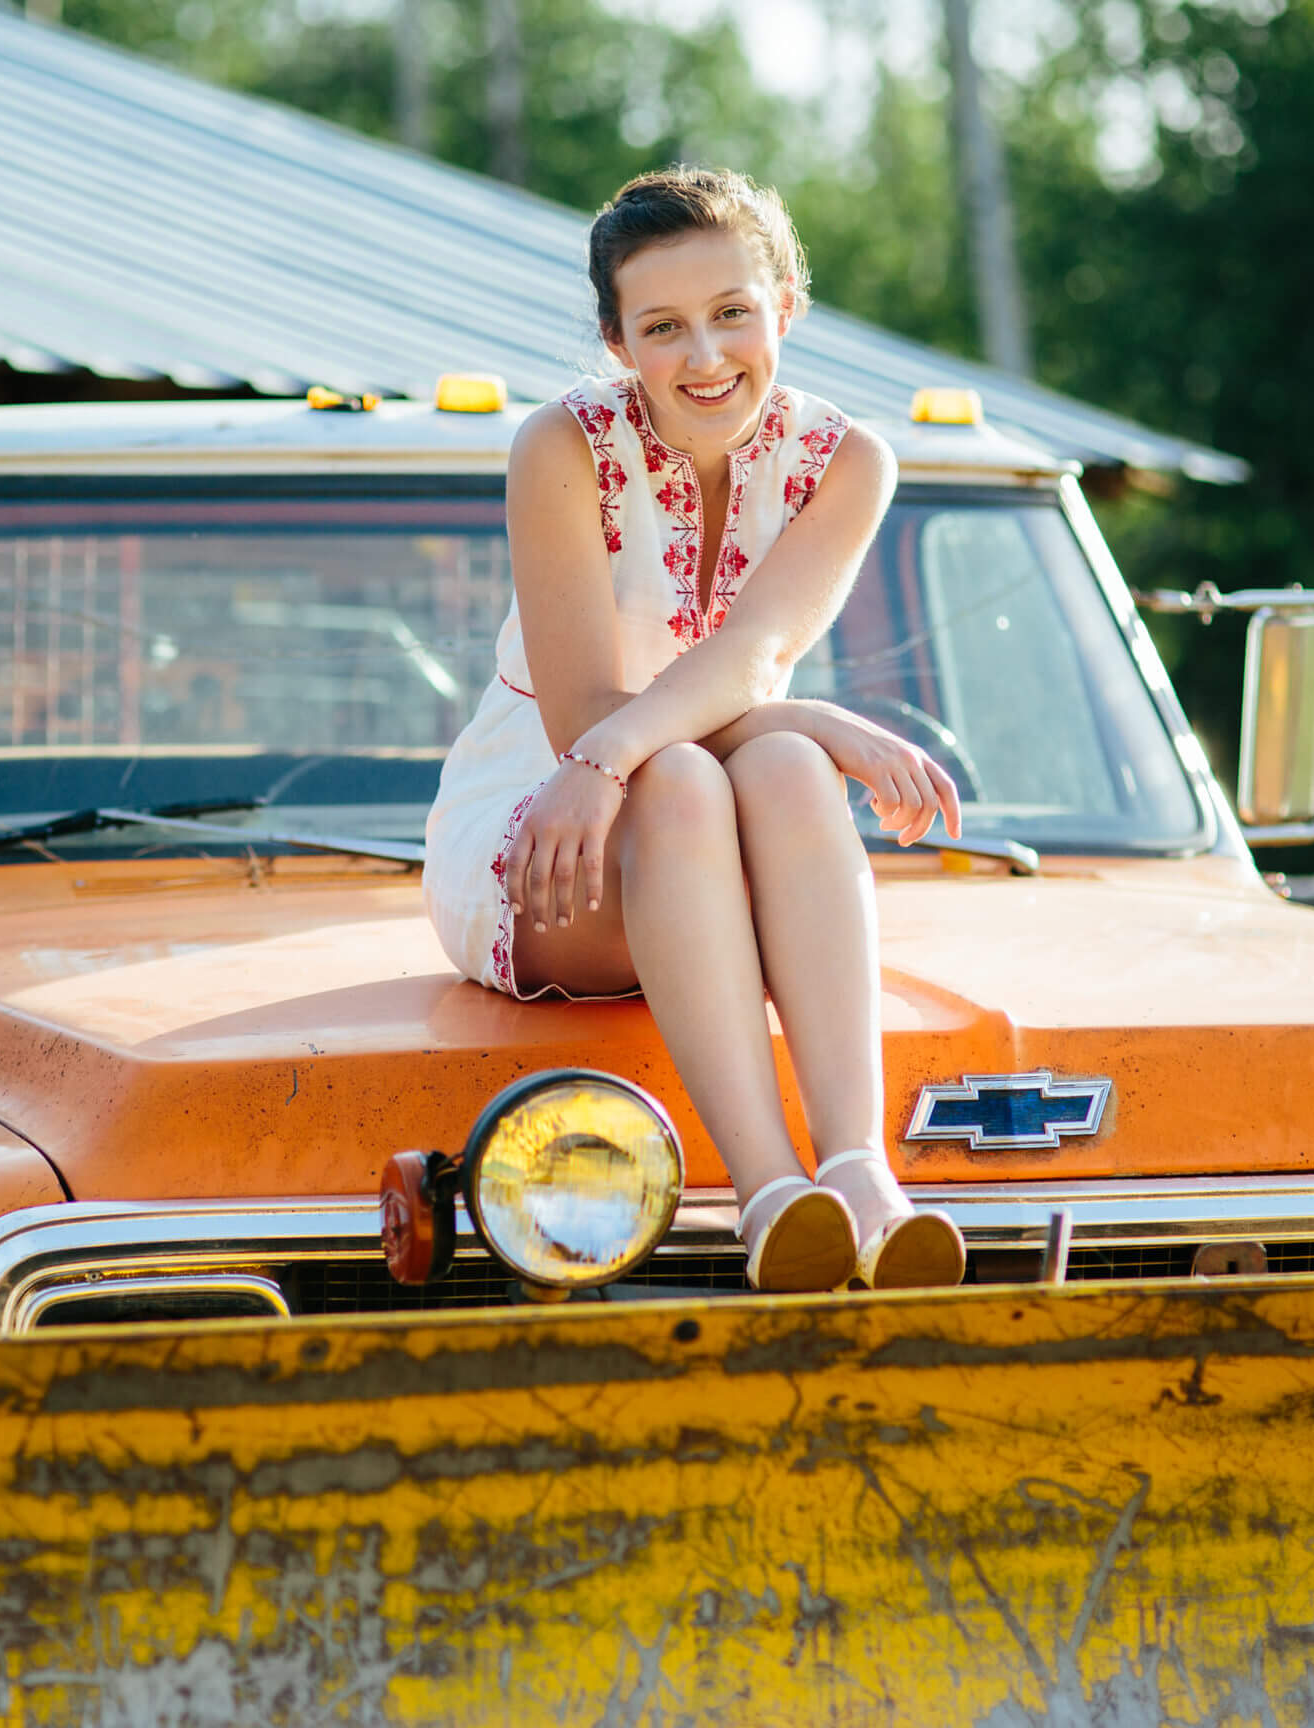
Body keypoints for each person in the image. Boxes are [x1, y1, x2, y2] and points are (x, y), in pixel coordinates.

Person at [424, 166, 969, 1293]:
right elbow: (584, 724)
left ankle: (861, 1172)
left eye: (733, 314)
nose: (705, 357)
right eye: (663, 328)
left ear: (787, 308)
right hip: (544, 825)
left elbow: (757, 650)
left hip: (699, 810)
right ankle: (771, 1194)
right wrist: (812, 717)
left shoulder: (850, 463)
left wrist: (789, 722)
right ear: (619, 345)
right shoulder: (561, 449)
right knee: (695, 769)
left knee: (776, 766)